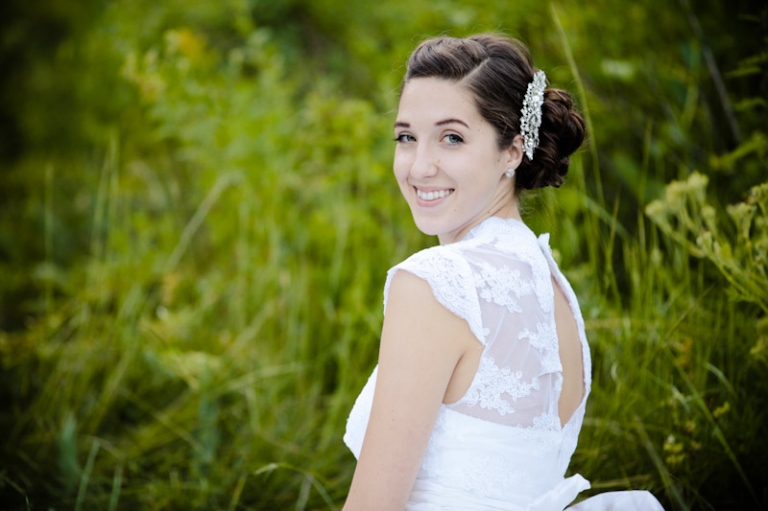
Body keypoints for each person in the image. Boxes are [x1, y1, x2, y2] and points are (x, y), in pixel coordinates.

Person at [342, 34, 664, 511]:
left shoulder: (435, 282)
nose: (419, 166)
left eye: (451, 138)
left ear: (513, 150)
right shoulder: (555, 292)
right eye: (407, 137)